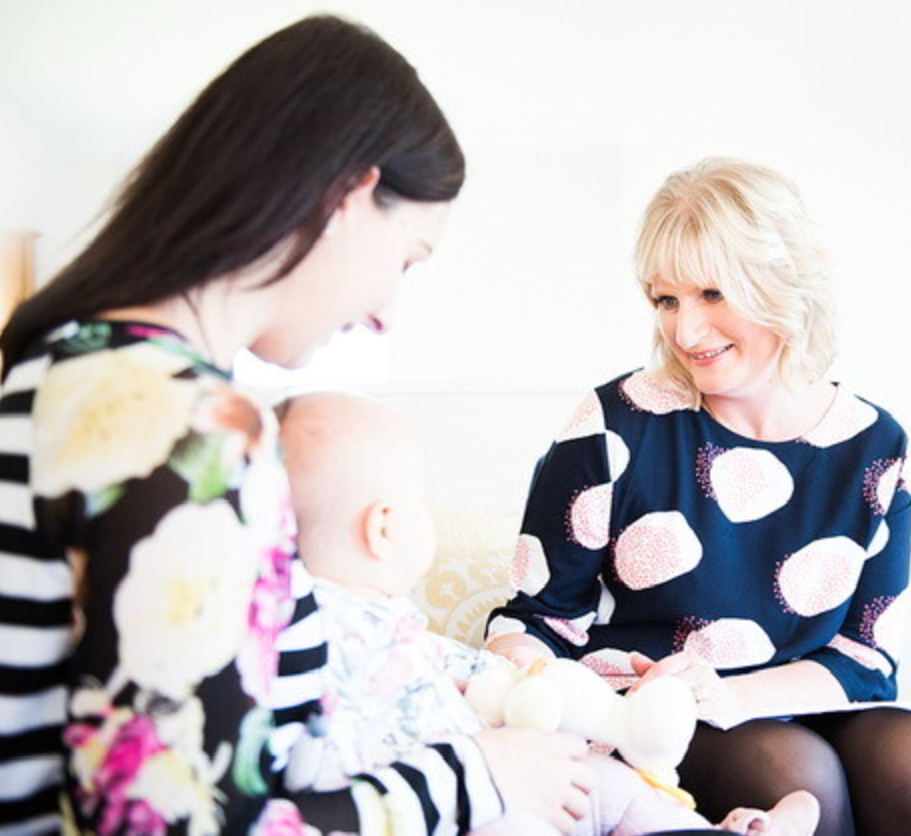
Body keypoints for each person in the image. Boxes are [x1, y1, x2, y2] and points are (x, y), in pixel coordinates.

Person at [0, 16, 597, 836]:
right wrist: (474, 780)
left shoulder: (60, 369)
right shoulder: (190, 426)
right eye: (407, 258)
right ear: (348, 197)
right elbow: (170, 827)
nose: (388, 312)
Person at [485, 158, 911, 836]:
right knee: (792, 772)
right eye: (666, 301)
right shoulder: (617, 424)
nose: (685, 332)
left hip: (781, 698)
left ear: (782, 284)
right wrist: (527, 676)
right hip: (649, 716)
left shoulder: (874, 447)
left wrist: (727, 693)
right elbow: (537, 618)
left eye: (713, 294)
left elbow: (865, 659)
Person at [274, 390, 821, 836]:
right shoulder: (322, 632)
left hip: (474, 781)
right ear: (386, 527)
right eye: (421, 495)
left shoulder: (328, 622)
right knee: (600, 792)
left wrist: (529, 685)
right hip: (455, 804)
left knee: (604, 782)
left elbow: (471, 673)